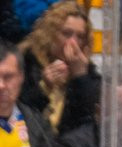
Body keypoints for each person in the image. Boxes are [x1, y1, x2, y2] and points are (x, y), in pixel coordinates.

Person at [18, 0, 98, 135]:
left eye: (80, 36)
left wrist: (81, 78)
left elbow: (88, 124)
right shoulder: (27, 63)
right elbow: (20, 113)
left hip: (71, 146)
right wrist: (44, 88)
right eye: (66, 33)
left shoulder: (88, 72)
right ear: (50, 34)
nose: (73, 42)